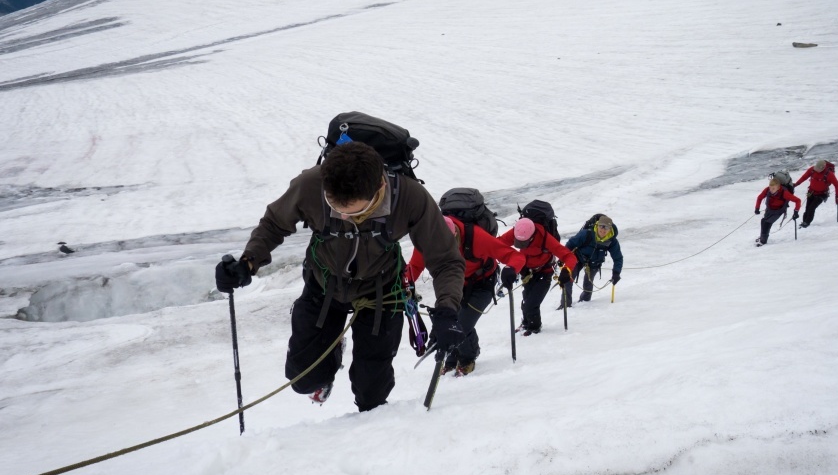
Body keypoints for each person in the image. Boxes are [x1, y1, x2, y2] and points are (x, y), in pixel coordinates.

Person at [214, 141, 465, 411]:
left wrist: (448, 309)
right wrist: (248, 262)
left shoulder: (410, 197)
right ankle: (332, 352)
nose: (343, 215)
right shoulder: (311, 184)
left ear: (379, 188)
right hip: (324, 285)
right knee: (303, 379)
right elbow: (275, 223)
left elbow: (445, 258)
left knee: (372, 395)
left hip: (382, 291)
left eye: (354, 211)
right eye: (336, 207)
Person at [405, 214, 525, 376]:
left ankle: (468, 357)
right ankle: (452, 360)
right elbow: (414, 267)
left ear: (456, 235)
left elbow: (515, 256)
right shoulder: (427, 241)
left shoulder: (476, 237)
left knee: (462, 324)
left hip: (482, 282)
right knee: (449, 322)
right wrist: (402, 285)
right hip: (452, 285)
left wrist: (511, 269)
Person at [497, 217, 578, 336]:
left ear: (533, 236)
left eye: (524, 243)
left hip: (544, 271)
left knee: (531, 303)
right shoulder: (517, 231)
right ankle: (526, 323)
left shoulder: (545, 238)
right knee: (526, 298)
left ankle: (535, 327)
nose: (522, 246)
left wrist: (566, 270)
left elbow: (569, 257)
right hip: (526, 271)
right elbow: (496, 244)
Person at [561, 214, 623, 306]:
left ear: (610, 229)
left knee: (588, 282)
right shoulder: (586, 234)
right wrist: (564, 257)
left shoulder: (612, 241)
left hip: (595, 262)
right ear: (597, 226)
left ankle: (585, 303)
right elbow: (570, 244)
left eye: (606, 228)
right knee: (568, 278)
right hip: (578, 258)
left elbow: (618, 258)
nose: (603, 230)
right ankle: (565, 304)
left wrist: (616, 273)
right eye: (601, 227)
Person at [754, 178, 801, 246]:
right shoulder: (767, 190)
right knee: (763, 221)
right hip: (769, 209)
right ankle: (762, 237)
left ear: (778, 187)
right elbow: (759, 197)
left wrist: (796, 212)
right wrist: (757, 208)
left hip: (779, 211)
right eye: (770, 188)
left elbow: (798, 200)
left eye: (773, 188)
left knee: (767, 223)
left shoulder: (784, 193)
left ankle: (763, 241)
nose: (771, 190)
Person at [793, 159, 838, 228]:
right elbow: (804, 177)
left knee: (812, 208)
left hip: (822, 194)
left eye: (818, 169)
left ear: (823, 168)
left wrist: (837, 197)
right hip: (811, 192)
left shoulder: (829, 174)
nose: (816, 170)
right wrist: (796, 184)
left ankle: (807, 223)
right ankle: (804, 221)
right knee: (807, 207)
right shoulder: (812, 170)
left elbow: (837, 185)